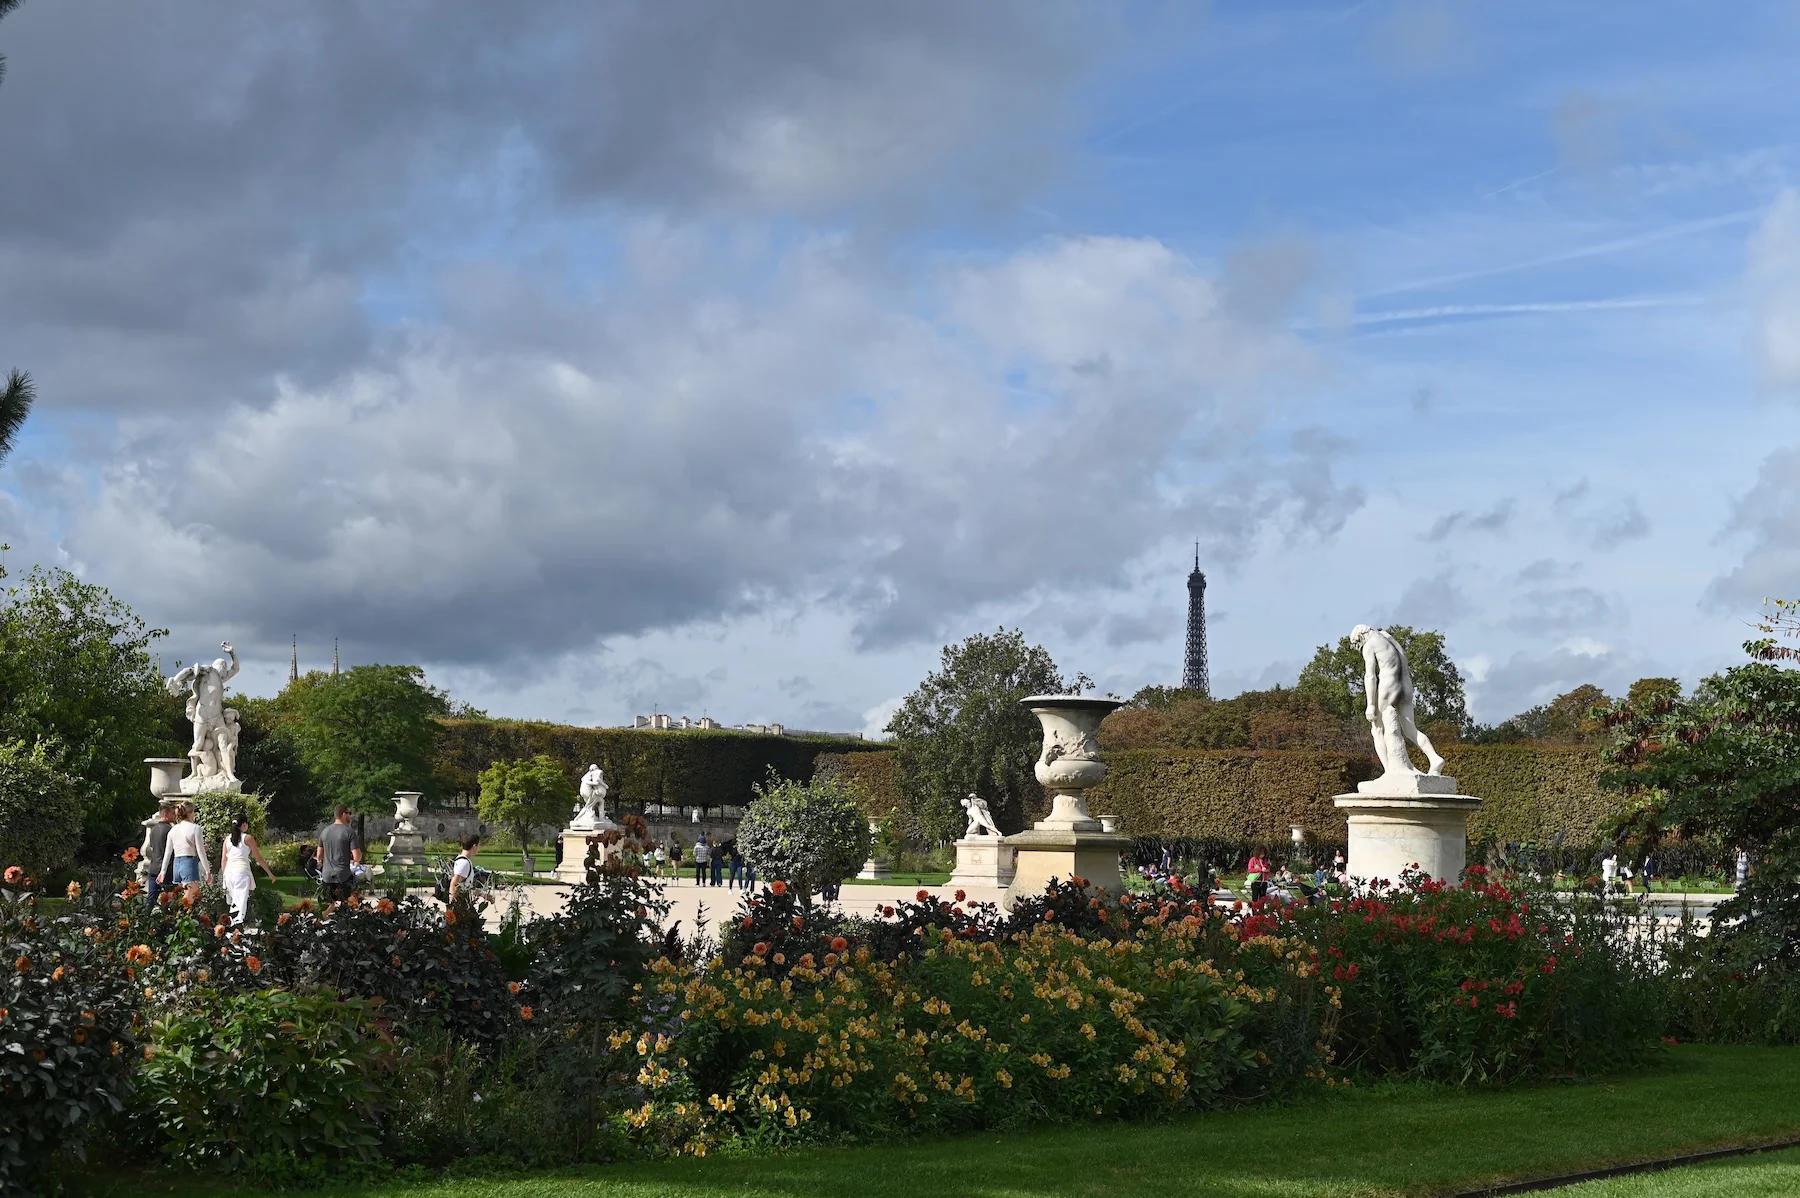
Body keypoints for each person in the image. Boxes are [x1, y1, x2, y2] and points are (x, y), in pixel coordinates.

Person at [219, 815, 277, 925]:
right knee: (240, 906)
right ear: (244, 825)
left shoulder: (227, 839)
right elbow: (258, 857)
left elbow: (224, 860)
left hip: (229, 873)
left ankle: (232, 929)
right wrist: (270, 874)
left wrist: (224, 877)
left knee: (234, 904)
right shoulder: (248, 838)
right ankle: (236, 931)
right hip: (241, 873)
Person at [156, 804, 211, 901]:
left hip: (177, 864)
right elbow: (201, 851)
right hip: (189, 863)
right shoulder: (195, 828)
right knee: (191, 897)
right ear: (190, 813)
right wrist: (207, 871)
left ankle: (178, 913)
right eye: (193, 812)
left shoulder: (173, 829)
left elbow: (168, 853)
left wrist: (162, 871)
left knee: (183, 895)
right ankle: (182, 915)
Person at [319, 806, 361, 902]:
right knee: (345, 906)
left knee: (329, 906)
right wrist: (355, 861)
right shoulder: (349, 832)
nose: (350, 816)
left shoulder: (324, 831)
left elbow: (319, 856)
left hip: (327, 876)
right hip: (343, 876)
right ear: (343, 814)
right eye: (349, 813)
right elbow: (357, 856)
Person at [141, 804, 175, 908]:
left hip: (153, 867)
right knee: (171, 900)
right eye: (172, 813)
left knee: (151, 898)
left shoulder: (154, 829)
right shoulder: (170, 830)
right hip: (166, 869)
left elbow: (152, 847)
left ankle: (144, 919)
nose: (174, 816)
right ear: (166, 814)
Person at [448, 834, 480, 903]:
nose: (479, 848)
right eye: (479, 845)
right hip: (460, 906)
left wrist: (484, 895)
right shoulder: (464, 863)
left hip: (464, 904)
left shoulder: (463, 861)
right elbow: (454, 885)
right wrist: (452, 907)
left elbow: (466, 887)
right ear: (474, 846)